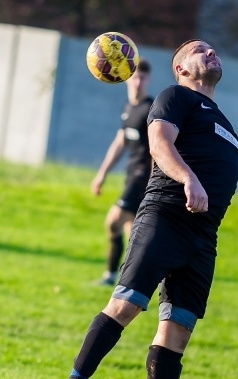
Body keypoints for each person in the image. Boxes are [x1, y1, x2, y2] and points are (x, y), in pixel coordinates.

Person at [56, 40, 238, 379]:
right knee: (127, 304)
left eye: (214, 49)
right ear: (180, 67)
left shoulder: (229, 124)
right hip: (165, 218)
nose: (211, 52)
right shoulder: (174, 97)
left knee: (177, 331)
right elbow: (159, 143)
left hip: (202, 239)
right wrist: (189, 180)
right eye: (200, 50)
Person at [90, 59, 153, 286]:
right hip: (131, 173)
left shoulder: (150, 109)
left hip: (142, 178)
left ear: (149, 80)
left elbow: (160, 147)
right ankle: (130, 281)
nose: (138, 82)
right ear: (127, 78)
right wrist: (101, 174)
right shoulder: (128, 108)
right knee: (132, 233)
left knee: (113, 222)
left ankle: (111, 276)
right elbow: (120, 142)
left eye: (143, 78)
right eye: (135, 77)